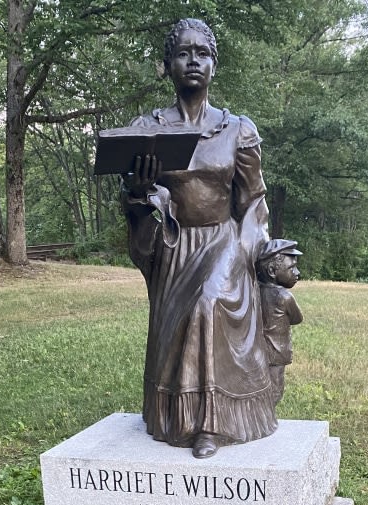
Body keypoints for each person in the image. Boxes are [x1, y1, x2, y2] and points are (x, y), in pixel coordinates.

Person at [121, 19, 275, 458]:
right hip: (173, 244)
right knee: (176, 332)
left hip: (225, 241)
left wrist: (249, 252)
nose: (193, 61)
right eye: (184, 53)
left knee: (210, 303)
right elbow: (134, 200)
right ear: (167, 65)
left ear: (213, 64)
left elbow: (253, 200)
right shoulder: (147, 128)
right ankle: (174, 419)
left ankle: (212, 424)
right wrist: (139, 189)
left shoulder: (237, 129)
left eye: (202, 53)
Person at [256, 239, 303, 404]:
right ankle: (267, 419)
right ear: (272, 270)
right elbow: (297, 318)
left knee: (260, 386)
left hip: (257, 350)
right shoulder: (285, 296)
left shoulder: (255, 291)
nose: (297, 273)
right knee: (275, 388)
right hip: (277, 351)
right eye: (291, 268)